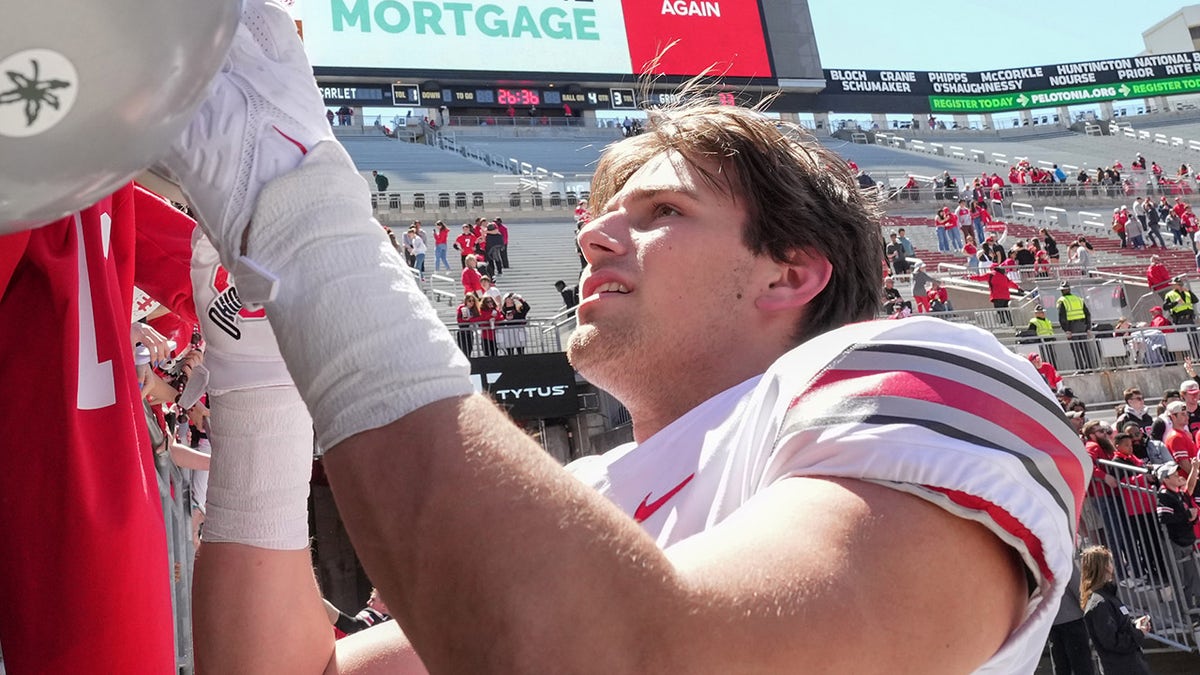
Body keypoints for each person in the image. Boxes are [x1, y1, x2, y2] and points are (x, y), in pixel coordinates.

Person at [6, 5, 1088, 671]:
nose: (594, 231)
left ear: (792, 272)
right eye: (600, 209)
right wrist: (260, 391)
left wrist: (302, 207)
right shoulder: (577, 506)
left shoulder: (927, 366)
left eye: (661, 211)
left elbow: (625, 659)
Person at [1079, 546, 1152, 675]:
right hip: (1122, 668)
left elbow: (1117, 628)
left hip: (1131, 664)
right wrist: (1138, 633)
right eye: (1110, 562)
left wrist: (1135, 625)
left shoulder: (1108, 596)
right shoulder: (1099, 603)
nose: (1113, 565)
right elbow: (1111, 641)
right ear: (1105, 567)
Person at [1057, 282, 1094, 371]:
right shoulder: (1078, 299)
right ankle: (1090, 367)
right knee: (1085, 348)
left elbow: (1062, 317)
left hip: (1071, 328)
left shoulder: (1062, 300)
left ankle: (1081, 369)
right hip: (1082, 326)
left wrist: (1066, 330)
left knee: (1076, 349)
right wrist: (1088, 327)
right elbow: (1087, 314)